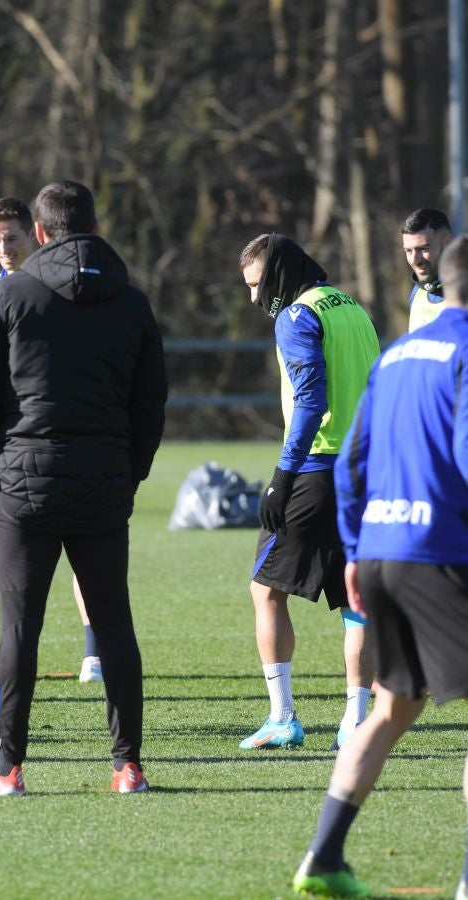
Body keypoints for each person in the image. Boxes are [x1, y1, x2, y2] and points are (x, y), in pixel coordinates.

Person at [0, 180, 167, 797]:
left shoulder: (10, 293)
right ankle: (128, 766)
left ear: (39, 232)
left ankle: (6, 769)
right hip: (103, 486)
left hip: (21, 487)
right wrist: (131, 472)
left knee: (20, 630)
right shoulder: (131, 301)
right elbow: (152, 401)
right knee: (114, 624)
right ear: (95, 228)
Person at [291, 235, 468, 899]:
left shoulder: (397, 353)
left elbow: (354, 462)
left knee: (392, 707)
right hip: (442, 552)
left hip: (385, 551)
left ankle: (325, 858)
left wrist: (357, 552)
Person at [0, 196, 103, 685]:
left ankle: (94, 653)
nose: (4, 249)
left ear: (33, 235)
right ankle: (13, 656)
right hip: (1, 443)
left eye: (11, 238)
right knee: (8, 557)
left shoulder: (55, 283)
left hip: (47, 436)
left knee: (78, 548)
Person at [237, 233, 380, 752]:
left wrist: (282, 475)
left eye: (256, 284)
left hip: (317, 471)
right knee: (355, 599)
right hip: (367, 468)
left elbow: (311, 398)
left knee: (265, 589)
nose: (254, 298)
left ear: (276, 272)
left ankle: (283, 717)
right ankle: (356, 720)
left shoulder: (295, 317)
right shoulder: (352, 308)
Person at [402, 208, 454, 333]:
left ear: (447, 243)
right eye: (408, 251)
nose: (414, 259)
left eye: (423, 249)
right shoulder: (418, 292)